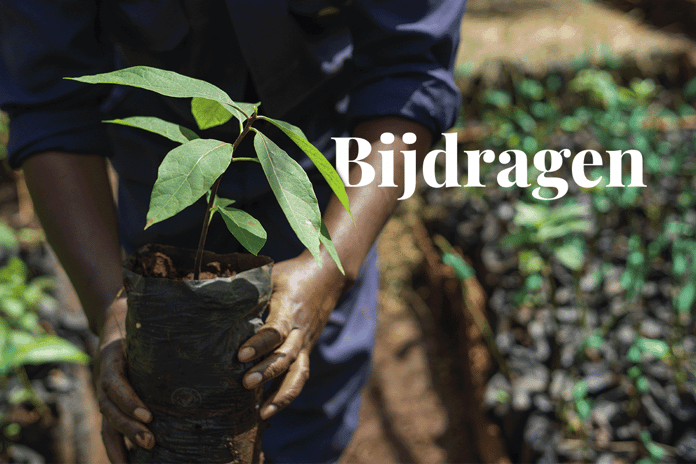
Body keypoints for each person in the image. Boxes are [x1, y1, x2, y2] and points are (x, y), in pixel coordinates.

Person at [0, 0, 467, 462]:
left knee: (305, 417)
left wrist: (329, 265)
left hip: (320, 188)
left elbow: (409, 69)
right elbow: (51, 104)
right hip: (162, 189)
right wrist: (115, 308)